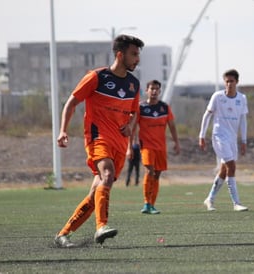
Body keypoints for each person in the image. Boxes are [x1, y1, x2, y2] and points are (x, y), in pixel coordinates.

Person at [54, 34, 144, 247]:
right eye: (133, 54)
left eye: (138, 55)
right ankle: (101, 226)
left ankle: (62, 234)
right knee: (107, 174)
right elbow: (71, 103)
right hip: (98, 138)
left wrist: (131, 126)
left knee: (96, 192)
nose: (137, 59)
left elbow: (135, 112)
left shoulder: (133, 84)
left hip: (119, 144)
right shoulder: (96, 77)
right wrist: (62, 131)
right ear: (120, 54)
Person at [199, 69, 249, 212]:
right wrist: (201, 136)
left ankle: (210, 199)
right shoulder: (217, 97)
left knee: (223, 171)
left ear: (237, 82)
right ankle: (236, 203)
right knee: (231, 167)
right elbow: (206, 115)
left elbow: (243, 121)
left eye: (231, 81)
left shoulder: (242, 98)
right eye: (226, 81)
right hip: (219, 136)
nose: (229, 84)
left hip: (232, 140)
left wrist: (244, 140)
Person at [137, 80, 180, 214]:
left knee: (157, 175)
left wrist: (176, 143)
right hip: (146, 146)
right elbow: (132, 127)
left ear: (159, 91)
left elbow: (172, 126)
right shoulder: (140, 107)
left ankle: (152, 205)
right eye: (152, 89)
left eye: (157, 89)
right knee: (149, 171)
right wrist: (129, 146)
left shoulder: (164, 108)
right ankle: (146, 203)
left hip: (161, 147)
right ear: (147, 91)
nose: (154, 91)